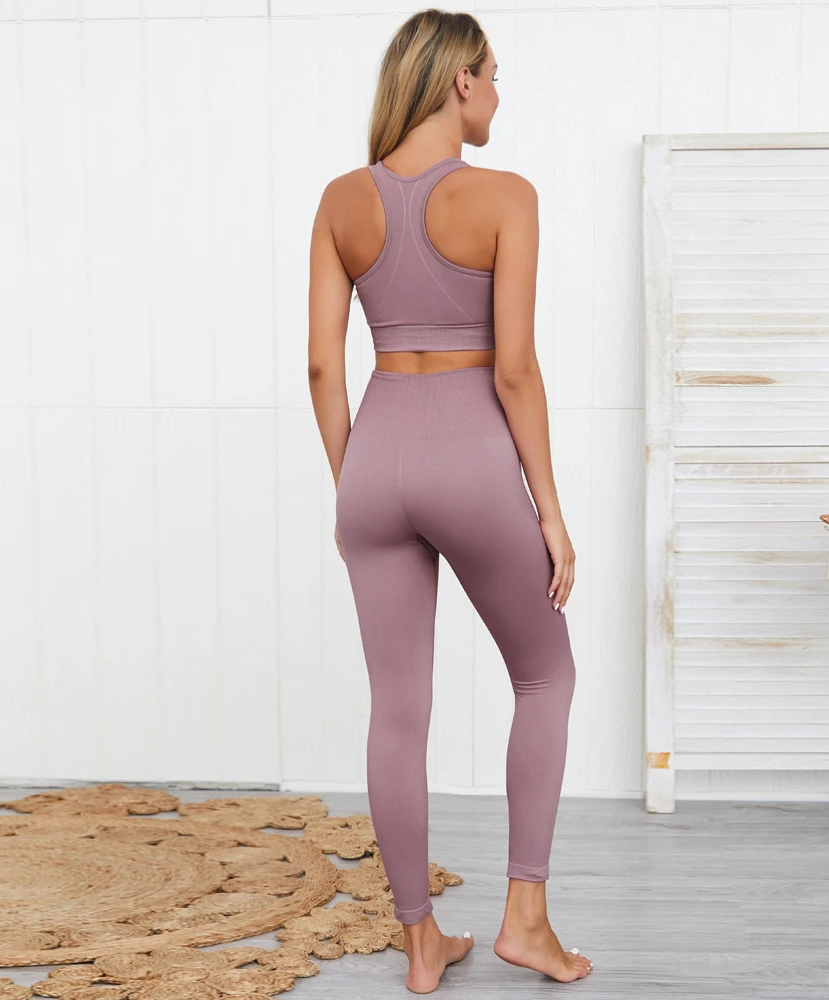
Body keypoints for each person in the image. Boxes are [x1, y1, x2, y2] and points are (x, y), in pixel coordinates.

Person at [307, 8, 591, 994]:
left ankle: (421, 943)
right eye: (494, 76)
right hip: (469, 457)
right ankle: (526, 920)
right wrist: (548, 508)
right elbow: (513, 369)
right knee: (544, 676)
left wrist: (353, 485)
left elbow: (321, 367)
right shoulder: (505, 196)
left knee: (397, 709)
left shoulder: (341, 201)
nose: (498, 95)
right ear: (460, 80)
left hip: (375, 456)